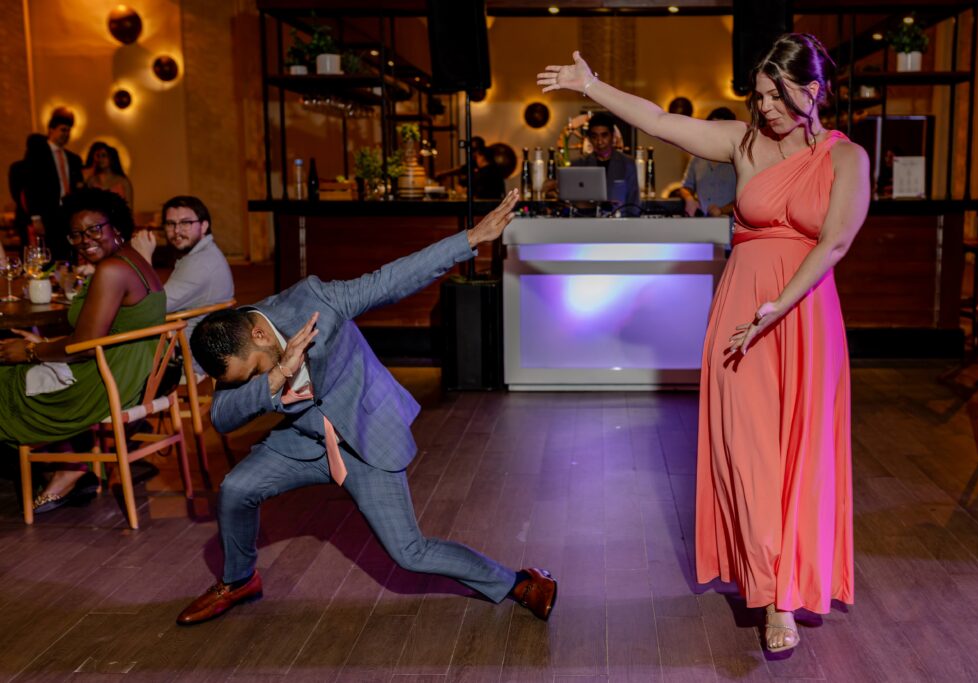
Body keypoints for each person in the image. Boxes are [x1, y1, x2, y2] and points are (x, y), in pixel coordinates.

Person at [538, 33, 870, 652]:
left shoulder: (846, 159)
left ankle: (792, 583)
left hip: (801, 315)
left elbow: (834, 244)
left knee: (801, 453)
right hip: (742, 316)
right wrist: (591, 87)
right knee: (749, 454)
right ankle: (773, 597)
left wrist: (779, 305)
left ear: (813, 90)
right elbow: (664, 122)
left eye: (776, 95)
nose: (764, 106)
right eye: (759, 94)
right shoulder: (744, 144)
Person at [175, 188, 559, 626]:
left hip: (363, 434)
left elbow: (389, 279)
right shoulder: (228, 346)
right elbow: (222, 417)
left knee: (409, 553)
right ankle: (238, 579)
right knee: (237, 490)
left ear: (260, 336)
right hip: (301, 441)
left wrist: (470, 238)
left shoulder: (315, 304)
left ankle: (516, 581)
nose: (252, 381)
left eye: (254, 371)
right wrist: (276, 375)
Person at [0, 189, 166, 512]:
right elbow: (98, 336)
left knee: (6, 375)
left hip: (101, 384)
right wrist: (39, 346)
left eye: (93, 229)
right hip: (126, 376)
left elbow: (83, 347)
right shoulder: (133, 261)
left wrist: (31, 352)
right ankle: (69, 466)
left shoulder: (112, 270)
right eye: (75, 234)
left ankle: (69, 467)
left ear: (115, 226)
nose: (84, 240)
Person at [131, 195, 234, 372]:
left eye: (186, 223)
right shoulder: (202, 254)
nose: (177, 231)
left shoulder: (200, 264)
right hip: (196, 347)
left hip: (188, 358)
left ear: (204, 226)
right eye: (171, 224)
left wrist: (143, 259)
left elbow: (151, 308)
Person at [23, 107, 85, 260]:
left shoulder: (72, 158)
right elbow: (31, 185)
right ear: (51, 129)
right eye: (63, 130)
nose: (66, 134)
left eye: (69, 131)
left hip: (67, 213)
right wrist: (36, 217)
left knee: (69, 254)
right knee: (48, 255)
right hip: (47, 213)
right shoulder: (38, 152)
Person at [570, 111, 640, 215]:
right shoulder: (578, 165)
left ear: (613, 136)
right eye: (595, 136)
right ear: (589, 138)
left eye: (604, 135)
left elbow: (634, 205)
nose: (599, 141)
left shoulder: (627, 164)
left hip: (620, 225)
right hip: (588, 225)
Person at [681, 107, 738, 217]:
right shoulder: (697, 157)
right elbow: (686, 187)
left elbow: (748, 199)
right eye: (712, 127)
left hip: (731, 224)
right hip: (703, 223)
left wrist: (722, 210)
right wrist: (689, 199)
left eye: (720, 128)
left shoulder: (738, 159)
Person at [85, 142, 134, 209]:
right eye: (98, 156)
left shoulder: (123, 182)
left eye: (104, 155)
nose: (100, 159)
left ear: (112, 158)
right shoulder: (91, 181)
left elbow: (129, 209)